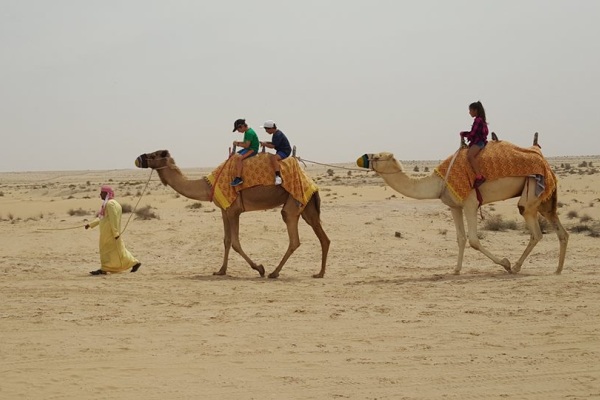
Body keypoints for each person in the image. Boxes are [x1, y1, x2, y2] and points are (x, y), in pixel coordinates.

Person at [85, 185, 141, 275]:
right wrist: (90, 224)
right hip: (107, 233)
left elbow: (113, 218)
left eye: (102, 193)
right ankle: (106, 268)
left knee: (113, 251)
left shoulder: (110, 204)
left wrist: (115, 233)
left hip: (110, 233)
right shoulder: (110, 203)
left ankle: (133, 263)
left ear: (106, 193)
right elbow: (102, 218)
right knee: (113, 251)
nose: (100, 194)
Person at [460, 101, 489, 188]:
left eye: (470, 110)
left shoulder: (478, 120)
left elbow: (473, 133)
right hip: (479, 141)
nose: (469, 112)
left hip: (479, 142)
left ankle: (479, 176)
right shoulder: (480, 120)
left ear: (475, 110)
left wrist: (463, 134)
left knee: (470, 156)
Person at [259, 120, 292, 185]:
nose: (266, 131)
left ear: (271, 128)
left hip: (284, 151)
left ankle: (278, 176)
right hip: (280, 150)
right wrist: (266, 142)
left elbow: (272, 146)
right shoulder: (275, 134)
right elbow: (274, 143)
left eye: (266, 129)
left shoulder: (278, 134)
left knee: (274, 158)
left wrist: (265, 144)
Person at [230, 118, 260, 186]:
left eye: (238, 129)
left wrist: (237, 144)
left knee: (239, 158)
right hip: (249, 148)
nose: (238, 131)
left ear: (242, 126)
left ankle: (238, 178)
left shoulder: (249, 133)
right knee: (236, 155)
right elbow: (245, 143)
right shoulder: (247, 132)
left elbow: (246, 145)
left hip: (252, 150)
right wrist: (237, 143)